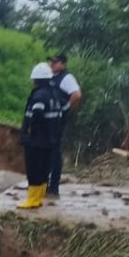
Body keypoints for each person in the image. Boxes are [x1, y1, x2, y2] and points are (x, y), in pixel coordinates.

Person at [19, 63, 65, 209]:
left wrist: (29, 134)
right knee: (44, 169)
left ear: (36, 80)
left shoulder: (39, 95)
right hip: (50, 140)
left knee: (34, 170)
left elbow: (37, 115)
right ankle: (38, 198)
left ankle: (32, 199)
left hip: (37, 141)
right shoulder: (54, 95)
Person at [46, 53, 82, 198]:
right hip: (49, 119)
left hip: (56, 121)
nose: (52, 65)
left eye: (55, 62)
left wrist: (65, 109)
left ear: (63, 64)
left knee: (54, 152)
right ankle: (47, 185)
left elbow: (77, 95)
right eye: (51, 62)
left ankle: (53, 187)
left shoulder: (66, 78)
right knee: (49, 151)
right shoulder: (52, 78)